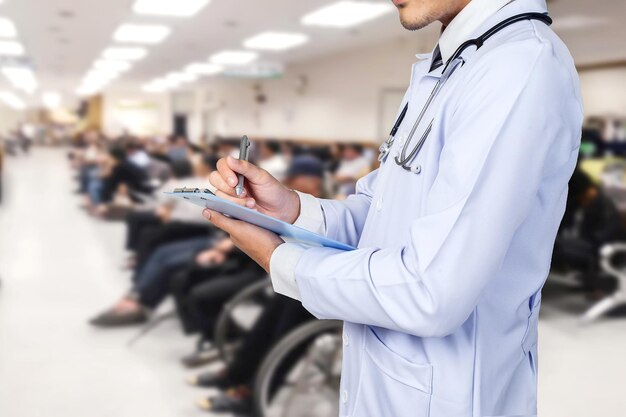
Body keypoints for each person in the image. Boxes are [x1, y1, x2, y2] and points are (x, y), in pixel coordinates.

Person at [202, 0, 583, 416]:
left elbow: (431, 292)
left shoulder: (517, 67)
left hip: (445, 396)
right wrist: (290, 209)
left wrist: (280, 260)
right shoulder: (454, 63)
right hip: (387, 380)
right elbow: (379, 214)